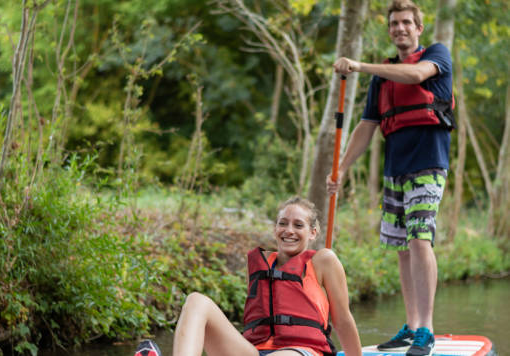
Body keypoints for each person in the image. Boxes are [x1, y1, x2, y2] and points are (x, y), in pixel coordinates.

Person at [327, 1, 454, 356]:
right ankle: (412, 326)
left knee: (419, 239)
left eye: (406, 23)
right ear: (390, 30)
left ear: (418, 28)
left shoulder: (437, 55)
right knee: (400, 246)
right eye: (394, 23)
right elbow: (366, 128)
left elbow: (415, 76)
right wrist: (341, 168)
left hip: (428, 164)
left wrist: (358, 66)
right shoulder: (382, 77)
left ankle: (426, 329)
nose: (400, 28)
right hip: (394, 169)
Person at [136, 197, 362, 356]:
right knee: (196, 300)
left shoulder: (323, 260)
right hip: (254, 351)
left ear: (313, 233)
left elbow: (342, 321)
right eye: (282, 223)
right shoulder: (259, 265)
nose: (289, 230)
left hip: (302, 351)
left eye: (298, 225)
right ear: (275, 229)